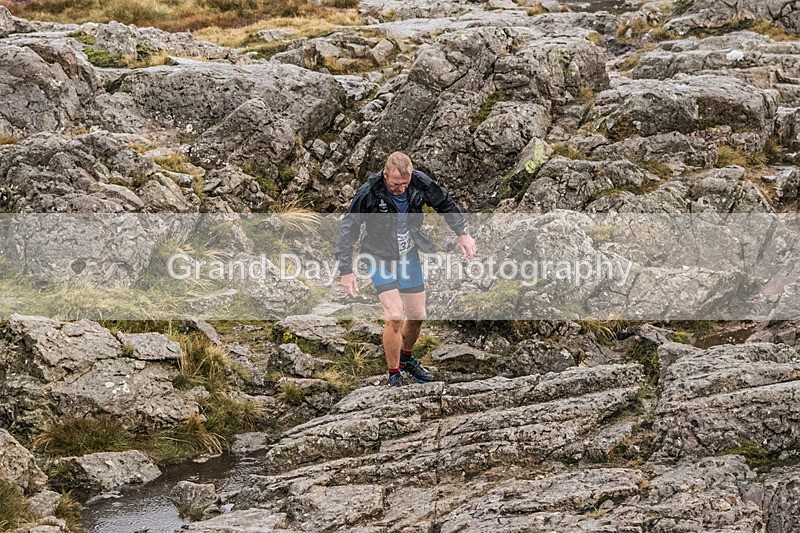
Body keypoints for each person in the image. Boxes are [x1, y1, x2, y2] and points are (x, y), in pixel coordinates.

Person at [335, 152, 477, 387]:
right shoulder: (370, 191)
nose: (400, 189)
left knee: (417, 316)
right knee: (394, 315)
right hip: (378, 256)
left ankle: (406, 359)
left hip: (408, 254)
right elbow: (348, 228)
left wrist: (462, 233)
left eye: (405, 184)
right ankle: (394, 375)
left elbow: (444, 202)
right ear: (385, 175)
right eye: (395, 184)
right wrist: (346, 270)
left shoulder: (419, 182)